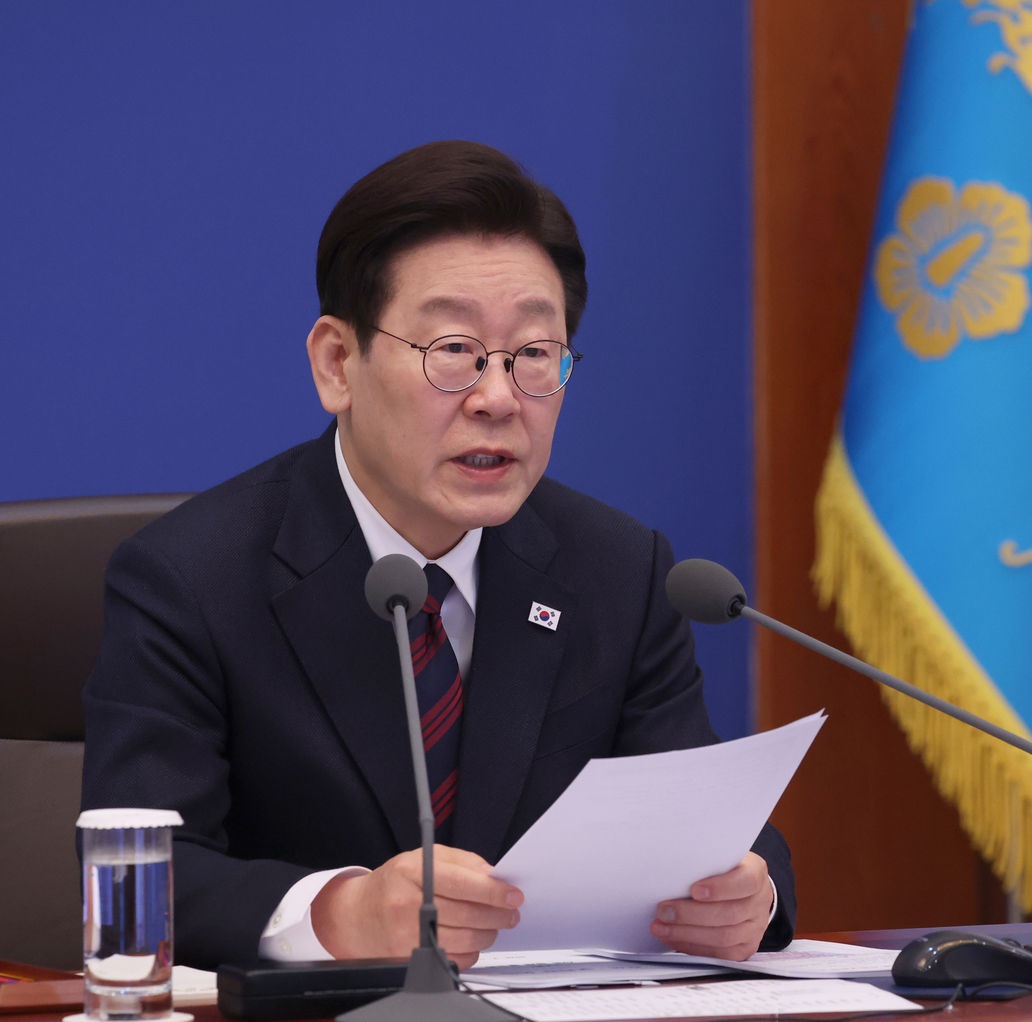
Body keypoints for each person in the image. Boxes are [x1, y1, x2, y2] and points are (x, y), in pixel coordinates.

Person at [80, 140, 796, 971]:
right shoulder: (190, 578)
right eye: (453, 351)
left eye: (533, 355)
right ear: (337, 363)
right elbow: (148, 870)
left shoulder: (618, 570)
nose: (497, 399)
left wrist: (750, 893)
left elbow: (700, 820)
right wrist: (339, 913)